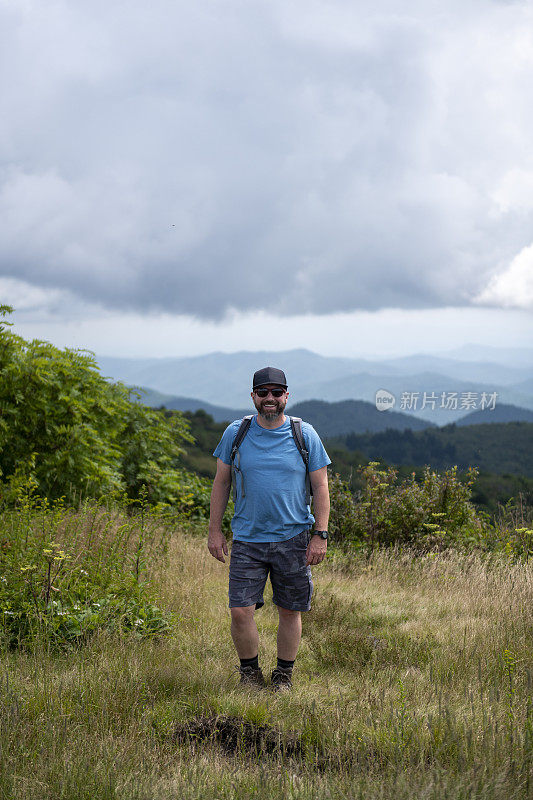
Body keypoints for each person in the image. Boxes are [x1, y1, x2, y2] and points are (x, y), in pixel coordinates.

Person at [208, 366, 331, 691]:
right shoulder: (236, 433)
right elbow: (221, 482)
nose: (270, 399)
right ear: (253, 396)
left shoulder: (305, 434)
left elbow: (321, 487)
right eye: (263, 393)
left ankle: (283, 677)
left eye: (277, 393)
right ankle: (250, 674)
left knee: (290, 611)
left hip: (294, 538)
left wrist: (321, 534)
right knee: (240, 611)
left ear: (286, 396)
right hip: (247, 539)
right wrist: (214, 530)